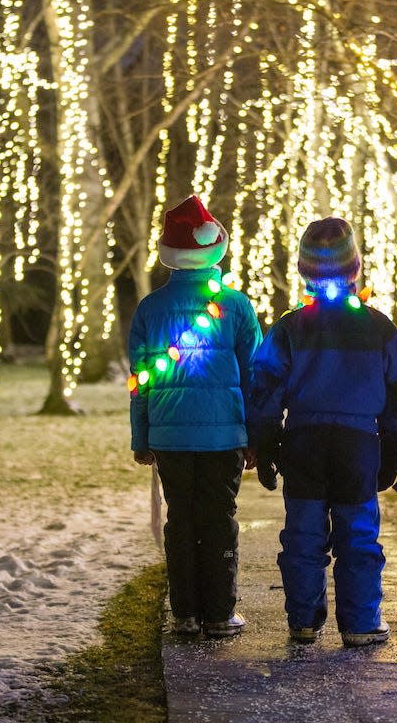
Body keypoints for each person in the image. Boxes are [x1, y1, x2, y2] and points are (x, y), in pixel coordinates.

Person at [248, 218, 397, 647]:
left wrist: (264, 445)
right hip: (358, 445)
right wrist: (392, 446)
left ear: (305, 271)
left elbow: (266, 388)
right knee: (357, 534)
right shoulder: (379, 327)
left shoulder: (289, 327)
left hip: (303, 442)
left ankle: (303, 619)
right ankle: (359, 622)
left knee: (303, 533)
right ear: (354, 268)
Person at [128, 195, 261, 638]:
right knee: (219, 518)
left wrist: (141, 436)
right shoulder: (236, 307)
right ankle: (220, 613)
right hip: (224, 435)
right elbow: (254, 374)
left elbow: (140, 379)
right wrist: (255, 434)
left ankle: (184, 612)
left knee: (180, 520)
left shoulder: (149, 308)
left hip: (169, 435)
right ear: (214, 248)